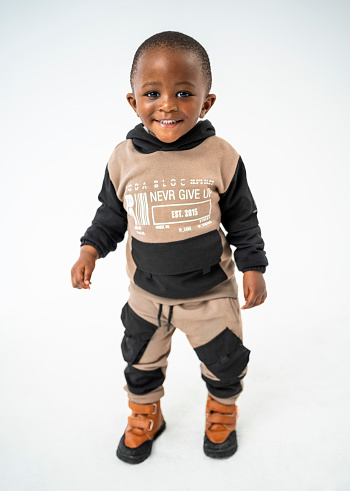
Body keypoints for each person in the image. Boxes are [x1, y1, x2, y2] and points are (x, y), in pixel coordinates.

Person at [71, 31, 268, 464]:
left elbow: (242, 218)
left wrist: (254, 265)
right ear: (133, 101)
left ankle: (221, 413)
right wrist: (90, 249)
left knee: (226, 365)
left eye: (183, 93)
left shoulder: (221, 156)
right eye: (152, 93)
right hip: (147, 297)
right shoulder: (123, 158)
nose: (167, 104)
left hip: (210, 296)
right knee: (139, 365)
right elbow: (110, 215)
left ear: (207, 102)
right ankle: (145, 417)